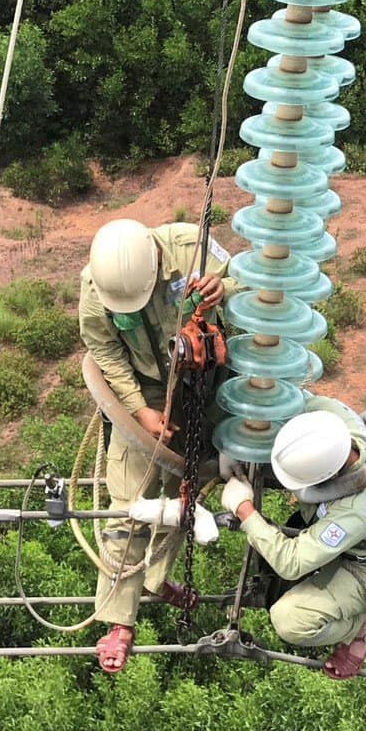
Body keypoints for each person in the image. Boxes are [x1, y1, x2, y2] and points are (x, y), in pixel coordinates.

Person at [78, 218, 236, 673]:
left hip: (206, 379)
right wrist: (138, 410)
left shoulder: (191, 248)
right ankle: (117, 619)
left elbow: (249, 279)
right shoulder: (97, 287)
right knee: (129, 501)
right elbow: (104, 352)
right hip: (146, 390)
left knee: (186, 490)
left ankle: (157, 578)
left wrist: (224, 288)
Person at [219, 397, 366, 679]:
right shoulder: (328, 418)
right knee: (280, 542)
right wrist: (235, 439)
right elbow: (289, 395)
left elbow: (291, 562)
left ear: (325, 477)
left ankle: (361, 625)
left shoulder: (357, 510)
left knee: (289, 620)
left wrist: (243, 508)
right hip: (340, 541)